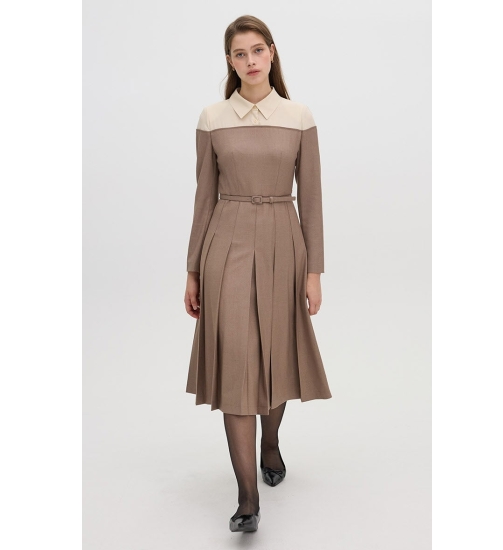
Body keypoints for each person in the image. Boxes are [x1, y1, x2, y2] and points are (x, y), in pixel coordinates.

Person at [183, 15, 332, 532]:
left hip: (283, 243)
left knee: (276, 352)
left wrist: (314, 271)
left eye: (257, 51)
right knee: (237, 363)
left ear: (272, 52)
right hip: (225, 243)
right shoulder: (212, 117)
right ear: (229, 61)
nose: (250, 61)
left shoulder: (298, 116)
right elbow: (203, 198)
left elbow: (311, 199)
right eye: (239, 54)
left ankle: (271, 442)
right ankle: (248, 498)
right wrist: (193, 270)